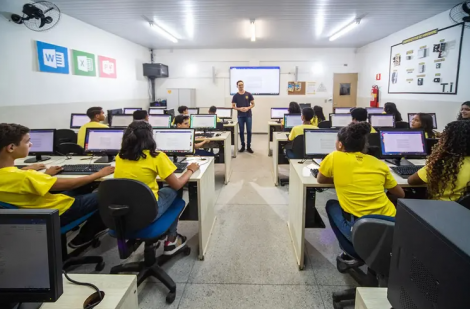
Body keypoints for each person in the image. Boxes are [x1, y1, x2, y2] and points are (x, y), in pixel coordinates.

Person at [0, 123, 115, 248]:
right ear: (11, 147)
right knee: (110, 195)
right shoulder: (24, 177)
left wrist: (30, 170)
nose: (31, 144)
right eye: (27, 142)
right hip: (56, 213)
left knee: (85, 187)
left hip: (31, 213)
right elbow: (70, 184)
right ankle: (85, 236)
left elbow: (13, 179)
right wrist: (98, 174)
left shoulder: (15, 175)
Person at [317, 122, 405, 262]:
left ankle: (350, 250)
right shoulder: (379, 163)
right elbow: (401, 194)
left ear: (340, 145)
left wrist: (342, 178)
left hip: (362, 229)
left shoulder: (334, 157)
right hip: (391, 227)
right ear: (364, 146)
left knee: (331, 205)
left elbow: (321, 180)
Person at [114, 121, 200, 255]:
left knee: (164, 190)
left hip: (122, 213)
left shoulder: (120, 156)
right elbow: (177, 184)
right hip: (147, 212)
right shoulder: (156, 156)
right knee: (175, 191)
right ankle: (172, 238)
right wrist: (190, 170)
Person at [408, 120, 470, 201]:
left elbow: (411, 181)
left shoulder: (443, 163)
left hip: (438, 207)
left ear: (448, 140)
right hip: (463, 210)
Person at [232, 80, 255, 153]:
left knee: (249, 131)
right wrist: (240, 109)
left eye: (242, 85)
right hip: (240, 116)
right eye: (239, 85)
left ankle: (248, 146)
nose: (241, 86)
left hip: (248, 115)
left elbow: (253, 104)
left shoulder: (248, 94)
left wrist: (248, 108)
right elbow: (233, 106)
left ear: (243, 85)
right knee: (241, 131)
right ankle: (242, 146)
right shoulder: (235, 96)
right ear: (237, 86)